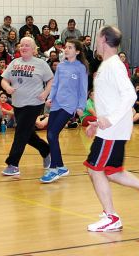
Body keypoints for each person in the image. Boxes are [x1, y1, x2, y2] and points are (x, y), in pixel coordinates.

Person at [84, 25, 139, 233]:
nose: (95, 41)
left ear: (103, 39)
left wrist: (109, 120)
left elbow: (130, 95)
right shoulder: (107, 65)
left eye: (97, 37)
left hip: (112, 130)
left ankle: (112, 217)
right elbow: (109, 99)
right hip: (110, 129)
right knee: (111, 171)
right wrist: (98, 122)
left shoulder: (114, 65)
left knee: (95, 169)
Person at [1, 37, 53, 176]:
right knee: (27, 134)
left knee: (20, 133)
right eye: (22, 45)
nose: (23, 47)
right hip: (18, 104)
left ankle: (13, 164)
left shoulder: (41, 64)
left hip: (34, 103)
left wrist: (45, 93)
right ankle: (46, 150)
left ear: (34, 49)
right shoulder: (14, 62)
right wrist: (7, 88)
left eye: (27, 45)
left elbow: (51, 80)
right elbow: (4, 80)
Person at [40, 39, 88, 183]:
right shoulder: (61, 66)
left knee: (53, 134)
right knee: (50, 135)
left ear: (77, 51)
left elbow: (83, 90)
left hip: (69, 106)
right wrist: (50, 97)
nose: (66, 50)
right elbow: (55, 84)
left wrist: (81, 107)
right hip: (56, 104)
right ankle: (61, 166)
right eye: (66, 47)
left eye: (70, 47)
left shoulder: (81, 68)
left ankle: (54, 169)